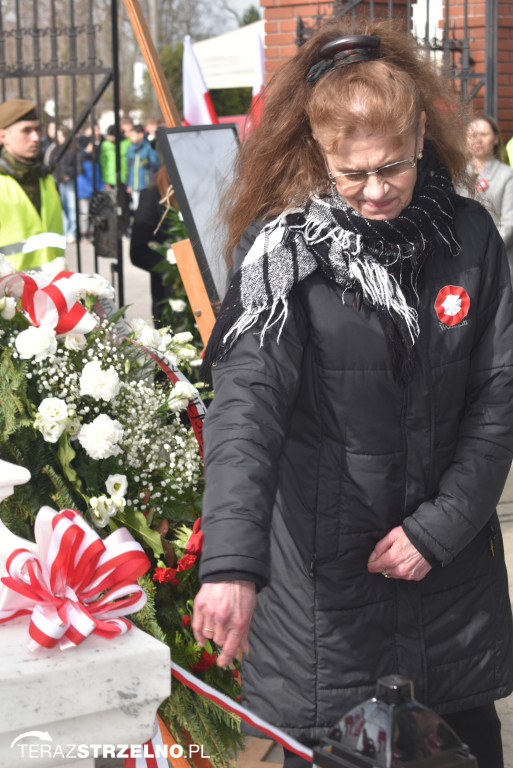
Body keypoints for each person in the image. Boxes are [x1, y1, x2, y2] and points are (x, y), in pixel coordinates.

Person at [192, 19, 513, 768]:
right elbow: (247, 405)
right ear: (317, 156)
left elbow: (498, 393)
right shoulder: (281, 254)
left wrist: (442, 526)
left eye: (391, 168)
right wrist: (232, 564)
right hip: (323, 606)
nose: (374, 191)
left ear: (419, 142)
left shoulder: (468, 237)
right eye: (352, 173)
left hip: (448, 587)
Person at [0, 98, 64, 270]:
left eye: (37, 129)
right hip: (9, 294)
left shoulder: (46, 180)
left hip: (54, 292)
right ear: (3, 136)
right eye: (26, 131)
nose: (36, 137)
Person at [129, 165, 178, 325]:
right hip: (170, 298)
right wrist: (174, 270)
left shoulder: (201, 189)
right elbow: (139, 252)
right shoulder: (152, 194)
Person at [465, 114, 513, 275]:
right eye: (473, 135)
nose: (477, 140)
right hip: (463, 263)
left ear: (495, 139)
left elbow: (509, 224)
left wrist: (484, 252)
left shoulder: (507, 175)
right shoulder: (457, 175)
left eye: (484, 135)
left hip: (496, 263)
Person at [49, 125, 81, 244]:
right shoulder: (55, 148)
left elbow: (78, 167)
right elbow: (51, 164)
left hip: (69, 181)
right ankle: (64, 230)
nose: (58, 138)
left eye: (61, 136)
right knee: (62, 207)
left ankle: (72, 232)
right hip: (58, 181)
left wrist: (69, 174)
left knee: (72, 207)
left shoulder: (73, 149)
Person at [126, 123, 160, 213]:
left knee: (146, 210)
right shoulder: (130, 149)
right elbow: (129, 167)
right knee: (137, 210)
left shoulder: (148, 147)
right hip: (134, 186)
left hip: (146, 185)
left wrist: (148, 164)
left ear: (141, 134)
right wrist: (129, 184)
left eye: (133, 135)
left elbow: (156, 165)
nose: (131, 138)